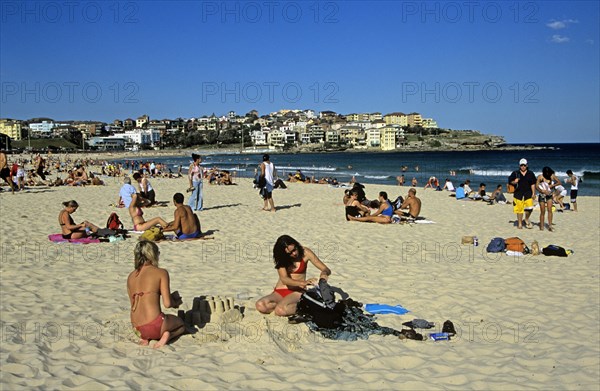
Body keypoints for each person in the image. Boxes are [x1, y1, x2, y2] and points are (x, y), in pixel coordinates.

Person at [255, 235, 331, 317]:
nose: (294, 253)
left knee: (280, 311)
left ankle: (306, 308)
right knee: (261, 305)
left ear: (296, 244)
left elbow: (326, 269)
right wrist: (303, 282)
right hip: (281, 290)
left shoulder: (306, 252)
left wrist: (324, 274)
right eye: (290, 253)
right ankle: (288, 305)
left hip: (297, 291)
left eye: (294, 249)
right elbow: (284, 279)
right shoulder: (281, 258)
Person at [127, 240, 185, 348]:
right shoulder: (161, 272)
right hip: (155, 325)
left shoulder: (130, 277)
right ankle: (168, 335)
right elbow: (167, 304)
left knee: (149, 326)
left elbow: (135, 304)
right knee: (181, 324)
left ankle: (146, 339)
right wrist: (175, 301)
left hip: (137, 328)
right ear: (152, 254)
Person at [508, 158, 537, 229]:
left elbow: (533, 184)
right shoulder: (515, 173)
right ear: (519, 166)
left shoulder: (530, 173)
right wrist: (514, 182)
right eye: (521, 165)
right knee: (519, 209)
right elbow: (510, 181)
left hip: (528, 193)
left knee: (530, 208)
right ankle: (520, 223)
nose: (523, 167)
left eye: (524, 165)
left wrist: (533, 193)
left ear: (527, 165)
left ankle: (526, 219)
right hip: (518, 193)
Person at [536, 166, 561, 231]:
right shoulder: (540, 177)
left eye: (548, 173)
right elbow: (536, 186)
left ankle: (550, 225)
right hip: (542, 195)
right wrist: (541, 191)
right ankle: (541, 226)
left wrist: (552, 185)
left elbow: (559, 182)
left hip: (549, 195)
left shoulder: (552, 176)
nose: (547, 175)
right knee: (542, 211)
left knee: (550, 210)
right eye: (546, 173)